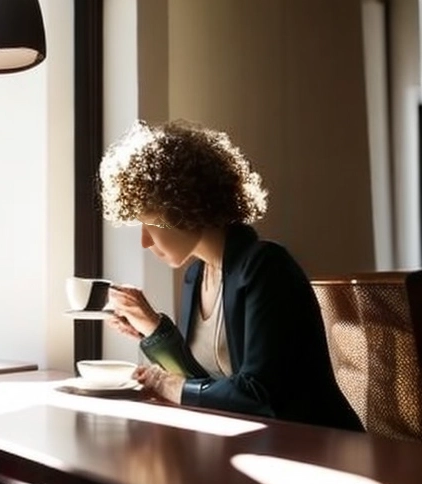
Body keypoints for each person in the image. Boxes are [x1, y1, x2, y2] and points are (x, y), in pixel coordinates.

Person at [98, 119, 363, 431]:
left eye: (148, 222)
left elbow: (259, 395)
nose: (144, 240)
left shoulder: (266, 267)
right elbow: (202, 383)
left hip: (318, 449)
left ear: (181, 206)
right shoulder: (196, 275)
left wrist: (170, 386)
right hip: (260, 446)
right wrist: (151, 328)